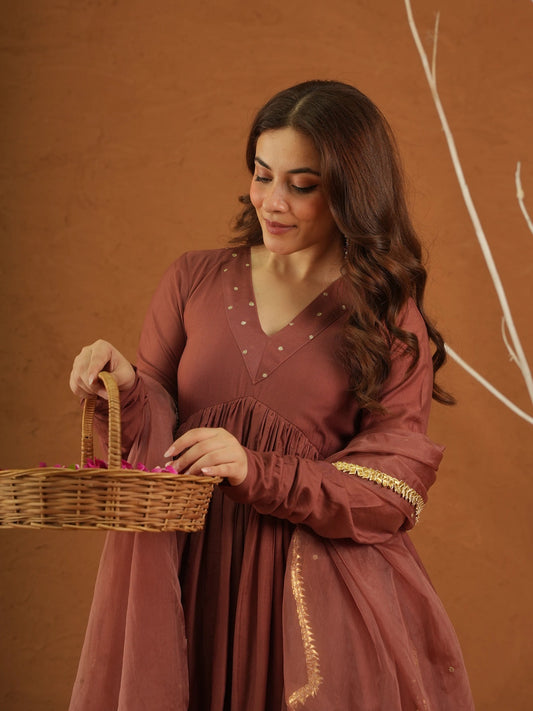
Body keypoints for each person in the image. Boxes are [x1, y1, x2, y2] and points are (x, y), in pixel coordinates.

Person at [68, 80, 474, 710]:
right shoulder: (193, 279)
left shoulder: (386, 318)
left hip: (308, 604)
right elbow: (153, 434)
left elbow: (392, 488)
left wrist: (256, 470)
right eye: (262, 176)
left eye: (301, 185)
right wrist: (124, 388)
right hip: (187, 574)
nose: (272, 202)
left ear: (351, 191)